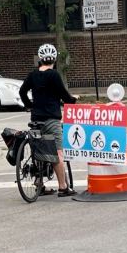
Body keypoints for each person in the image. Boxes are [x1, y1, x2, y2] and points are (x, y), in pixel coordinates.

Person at [19, 43, 78, 197]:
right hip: (52, 119)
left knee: (39, 149)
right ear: (54, 59)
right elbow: (64, 96)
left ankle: (39, 184)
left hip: (36, 118)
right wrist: (73, 100)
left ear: (40, 59)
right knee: (57, 152)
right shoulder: (54, 75)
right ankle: (63, 187)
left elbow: (22, 91)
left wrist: (29, 105)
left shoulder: (33, 75)